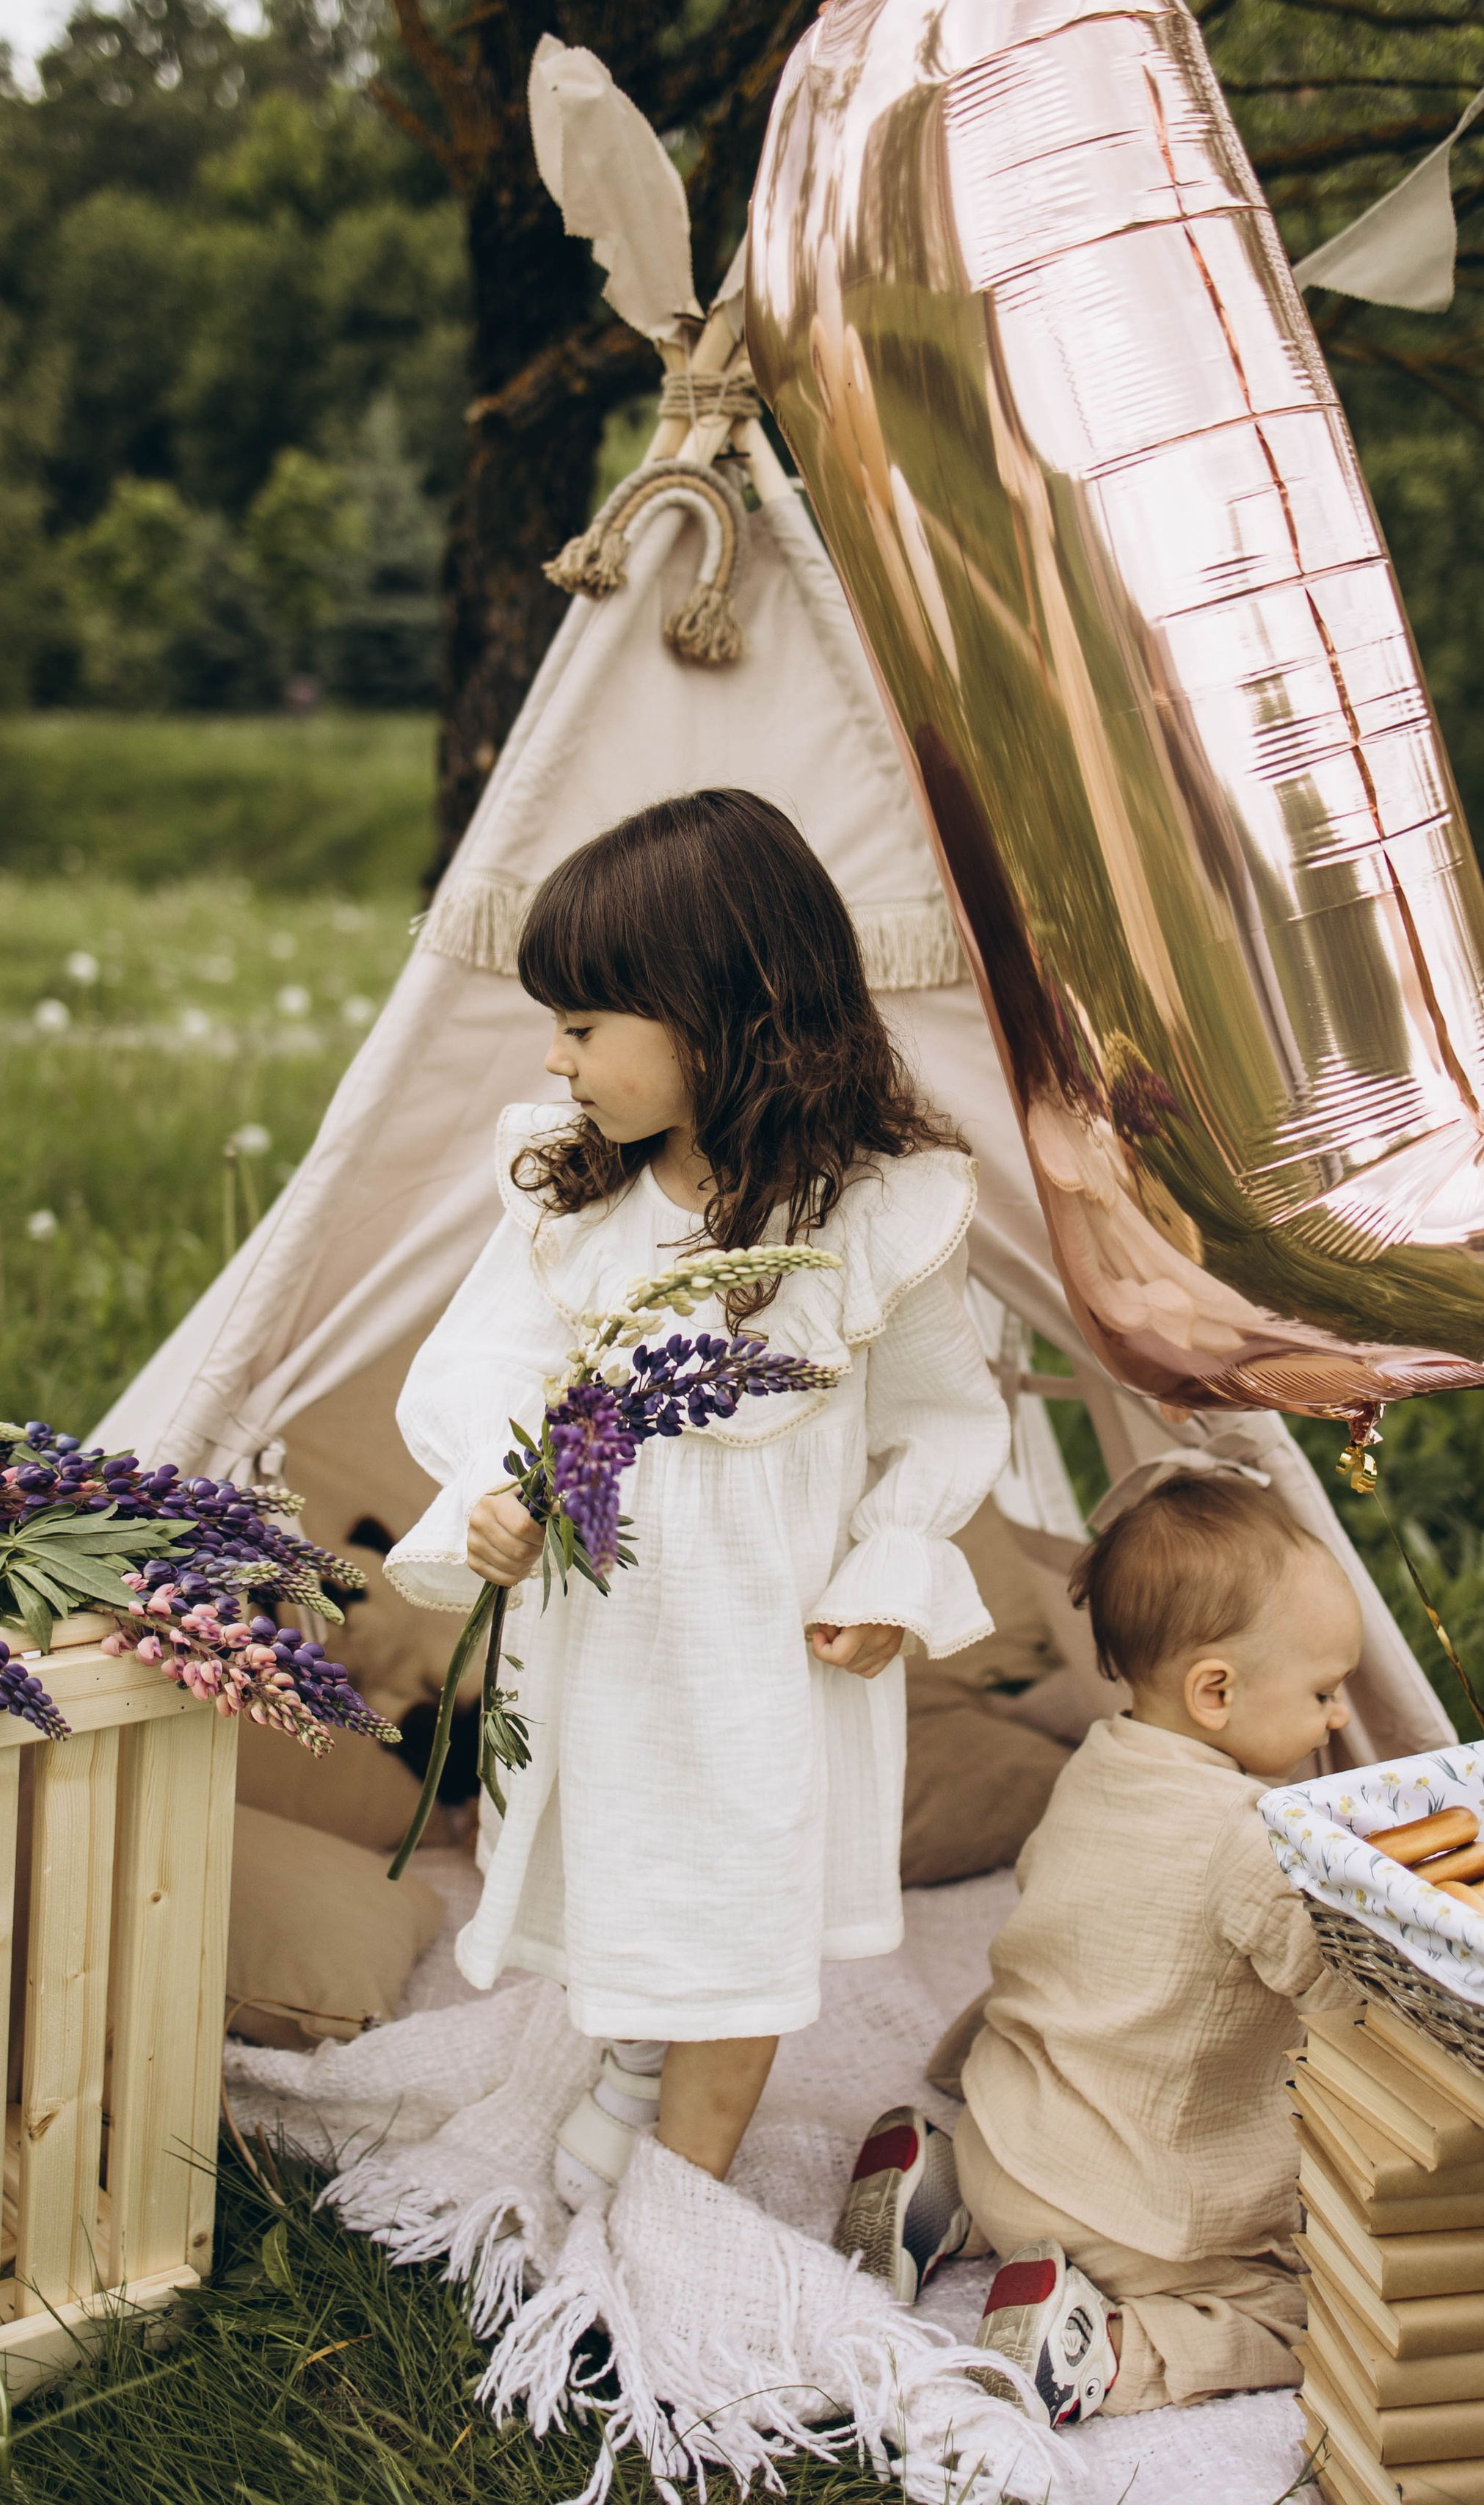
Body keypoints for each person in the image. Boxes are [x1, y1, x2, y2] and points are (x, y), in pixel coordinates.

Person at [385, 788, 1011, 2205]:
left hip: (765, 1647)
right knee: (624, 1849)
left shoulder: (875, 1215)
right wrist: (500, 1489)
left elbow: (939, 1421)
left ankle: (686, 2186)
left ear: (721, 1016)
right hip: (611, 1630)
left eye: (584, 1025)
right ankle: (632, 2051)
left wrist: (890, 1568)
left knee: (740, 1896)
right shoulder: (580, 1198)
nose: (555, 1058)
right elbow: (490, 1363)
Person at [834, 1470, 1360, 2425]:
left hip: (1007, 2138)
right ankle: (1102, 2349)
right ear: (1216, 1691)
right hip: (1136, 2221)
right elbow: (1345, 2001)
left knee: (1040, 2128)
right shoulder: (1256, 1845)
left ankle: (941, 2189)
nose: (1341, 1717)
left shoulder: (1095, 1762)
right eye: (1325, 1690)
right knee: (1319, 2312)